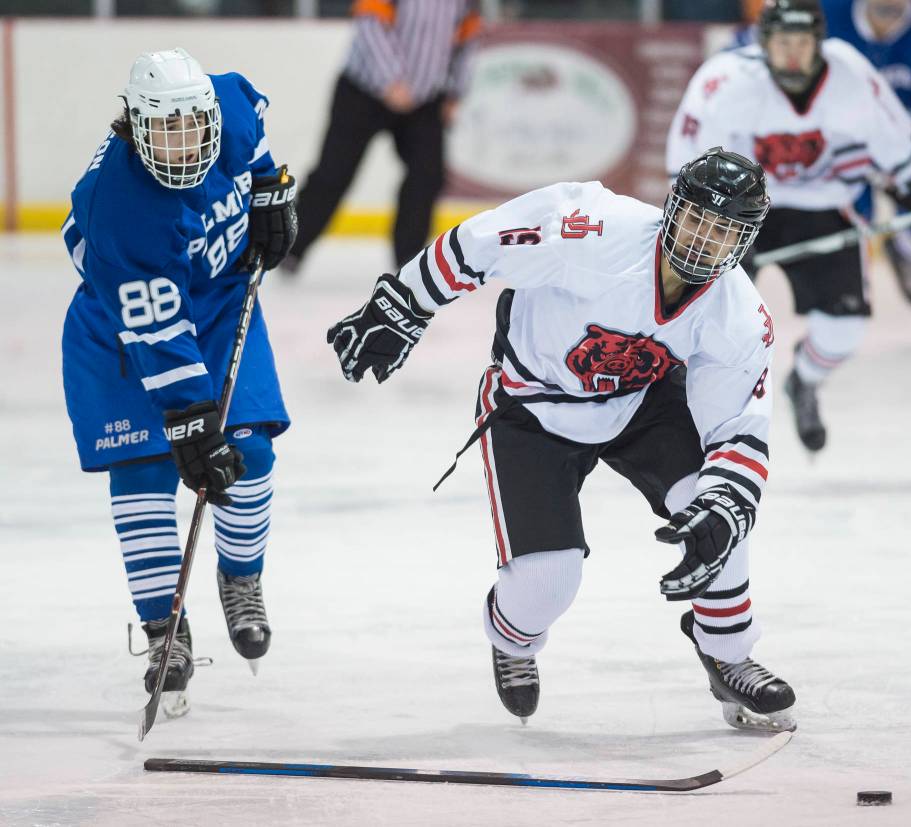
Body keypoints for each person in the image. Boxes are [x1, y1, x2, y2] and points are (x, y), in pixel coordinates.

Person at [326, 147, 797, 733]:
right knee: (549, 583)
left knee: (717, 512)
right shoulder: (590, 227)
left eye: (724, 229)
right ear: (671, 209)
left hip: (641, 404)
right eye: (699, 217)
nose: (705, 240)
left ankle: (728, 652)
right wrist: (404, 305)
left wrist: (725, 505)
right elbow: (477, 242)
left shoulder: (740, 314)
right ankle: (513, 638)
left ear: (745, 241)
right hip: (532, 407)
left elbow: (737, 428)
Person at [60, 48, 298, 703]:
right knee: (144, 474)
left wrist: (270, 185)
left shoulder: (226, 105)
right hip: (119, 331)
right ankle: (166, 626)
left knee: (249, 449)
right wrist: (189, 418)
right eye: (162, 131)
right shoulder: (120, 208)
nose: (181, 144)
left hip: (217, 306)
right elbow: (157, 334)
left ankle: (240, 575)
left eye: (190, 127)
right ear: (134, 126)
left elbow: (253, 125)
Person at [666, 0, 911, 453]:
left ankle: (804, 381)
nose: (792, 54)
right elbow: (685, 170)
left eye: (803, 43)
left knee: (843, 328)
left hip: (823, 207)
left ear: (819, 44)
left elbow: (899, 156)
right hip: (741, 211)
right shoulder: (725, 81)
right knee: (703, 318)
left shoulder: (850, 74)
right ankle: (687, 407)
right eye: (782, 43)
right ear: (763, 43)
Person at [283, 0, 481, 275]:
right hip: (364, 91)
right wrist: (391, 80)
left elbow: (467, 40)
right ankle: (290, 248)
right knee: (333, 173)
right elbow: (369, 24)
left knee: (427, 175)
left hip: (424, 99)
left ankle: (409, 259)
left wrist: (456, 92)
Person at [823, 0, 911, 304]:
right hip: (841, 140)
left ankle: (904, 252)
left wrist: (899, 159)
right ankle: (850, 282)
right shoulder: (827, 13)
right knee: (846, 217)